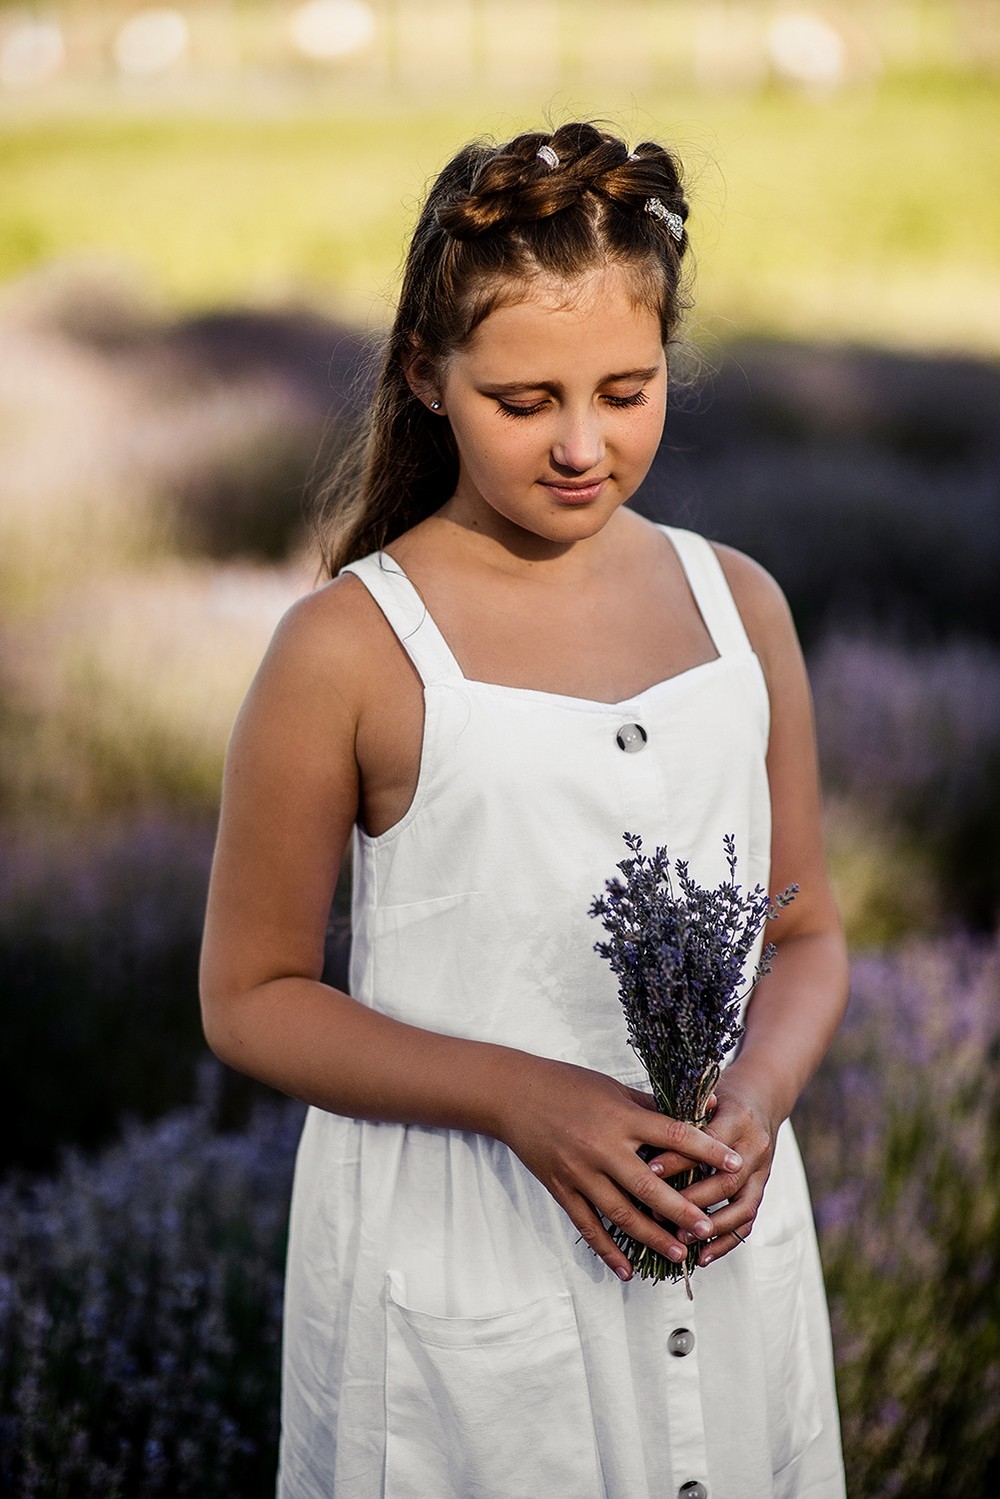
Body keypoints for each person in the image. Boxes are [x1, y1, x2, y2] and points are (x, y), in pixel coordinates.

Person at [199, 120, 849, 1499]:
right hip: (459, 1265)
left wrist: (760, 1102)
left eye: (628, 389)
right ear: (428, 377)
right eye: (523, 401)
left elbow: (809, 936)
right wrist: (522, 1099)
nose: (581, 445)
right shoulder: (348, 647)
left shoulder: (742, 608)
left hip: (721, 1251)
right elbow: (249, 994)